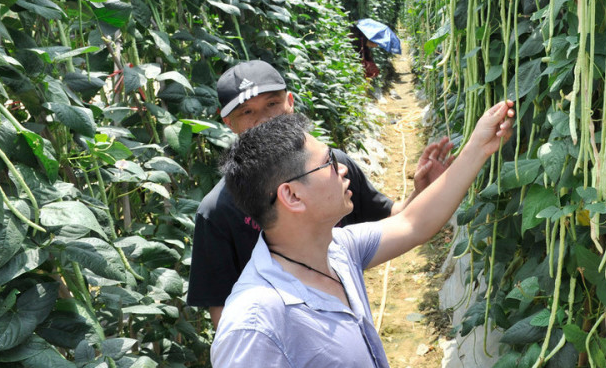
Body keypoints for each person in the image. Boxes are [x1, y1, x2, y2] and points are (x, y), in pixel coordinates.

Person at [211, 101, 515, 368]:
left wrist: (479, 145)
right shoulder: (256, 324)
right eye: (329, 163)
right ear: (292, 195)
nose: (343, 168)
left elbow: (413, 224)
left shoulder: (338, 249)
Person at [186, 59, 455, 327]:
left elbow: (395, 220)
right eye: (247, 112)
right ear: (228, 122)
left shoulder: (333, 169)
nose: (265, 120)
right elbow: (223, 312)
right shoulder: (217, 212)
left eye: (272, 104)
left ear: (290, 103)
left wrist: (421, 192)